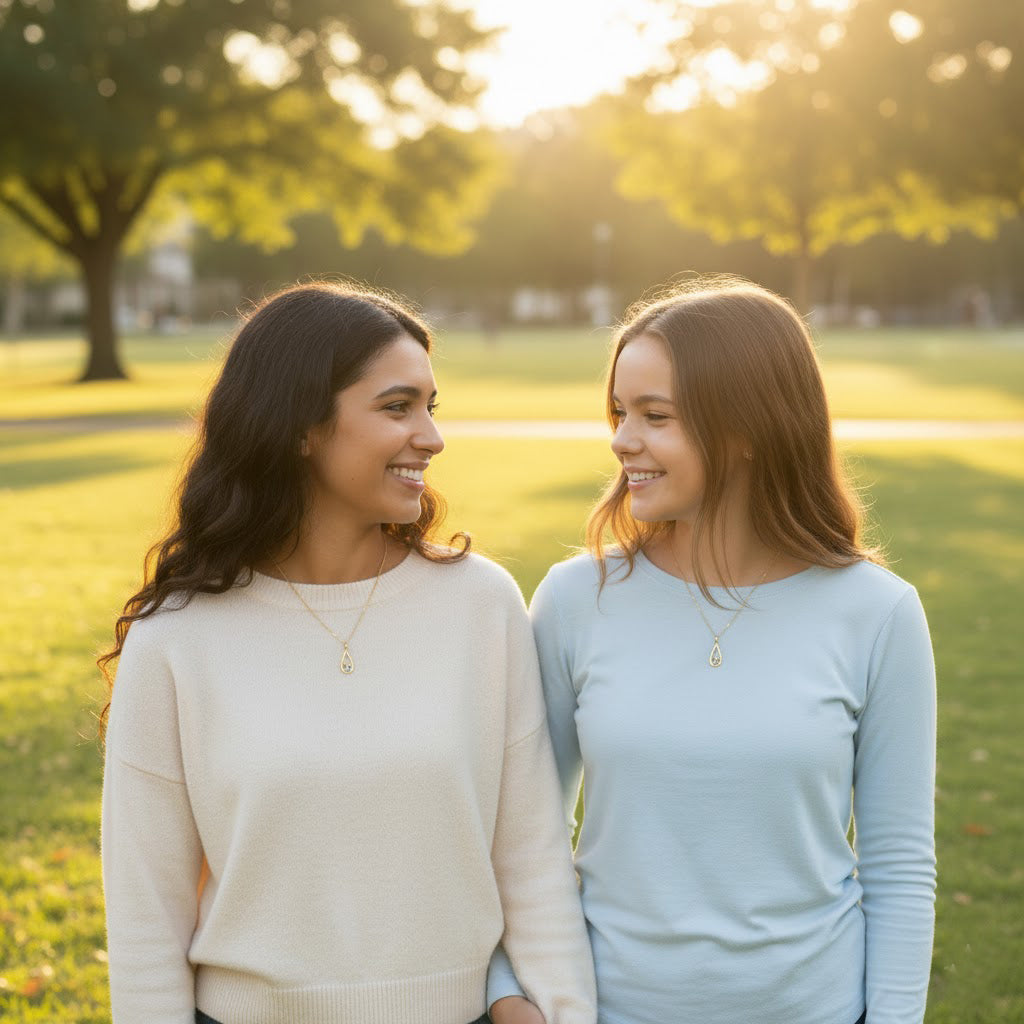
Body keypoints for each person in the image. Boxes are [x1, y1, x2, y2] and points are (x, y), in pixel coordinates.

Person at [100, 282, 596, 1024]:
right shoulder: (177, 636)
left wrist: (565, 1010)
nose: (430, 436)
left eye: (432, 406)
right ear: (300, 426)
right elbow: (146, 918)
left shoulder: (481, 605)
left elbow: (532, 858)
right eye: (398, 407)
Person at [488, 277, 936, 1024]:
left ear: (749, 428)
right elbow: (522, 835)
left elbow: (899, 866)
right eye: (619, 413)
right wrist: (507, 990)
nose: (622, 440)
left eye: (654, 416)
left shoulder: (879, 613)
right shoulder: (573, 601)